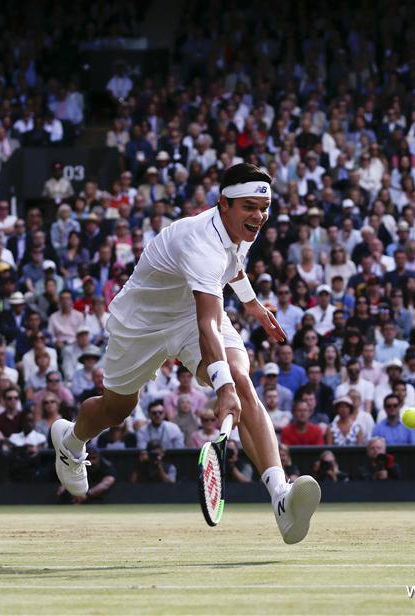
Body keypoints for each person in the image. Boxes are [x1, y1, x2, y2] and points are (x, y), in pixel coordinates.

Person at [51, 164, 320, 545]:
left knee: (244, 383)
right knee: (117, 409)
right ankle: (71, 442)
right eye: (249, 206)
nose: (259, 216)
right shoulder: (199, 243)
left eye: (264, 207)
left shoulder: (244, 226)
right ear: (222, 204)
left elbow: (234, 266)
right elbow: (208, 322)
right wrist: (220, 385)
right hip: (142, 324)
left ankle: (281, 497)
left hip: (195, 314)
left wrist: (255, 307)